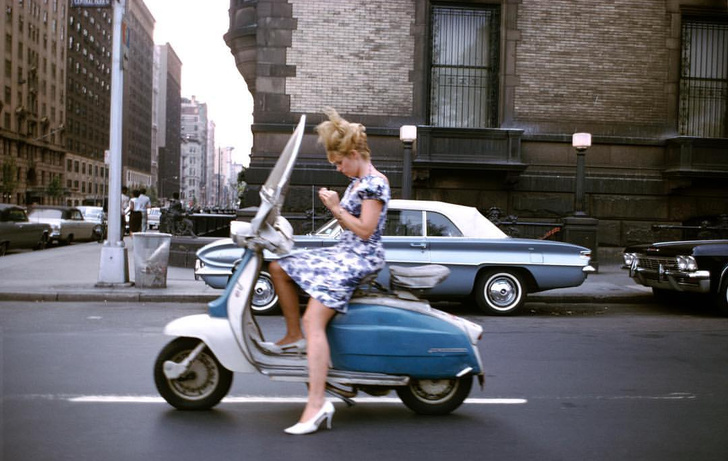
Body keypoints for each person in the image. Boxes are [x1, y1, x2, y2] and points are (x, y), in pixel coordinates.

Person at [262, 108, 390, 435]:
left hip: (357, 259)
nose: (338, 168)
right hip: (343, 253)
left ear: (351, 154)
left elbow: (365, 230)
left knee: (313, 320)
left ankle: (317, 403)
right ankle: (294, 337)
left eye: (338, 162)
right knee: (279, 265)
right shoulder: (359, 181)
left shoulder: (374, 184)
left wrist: (334, 207)